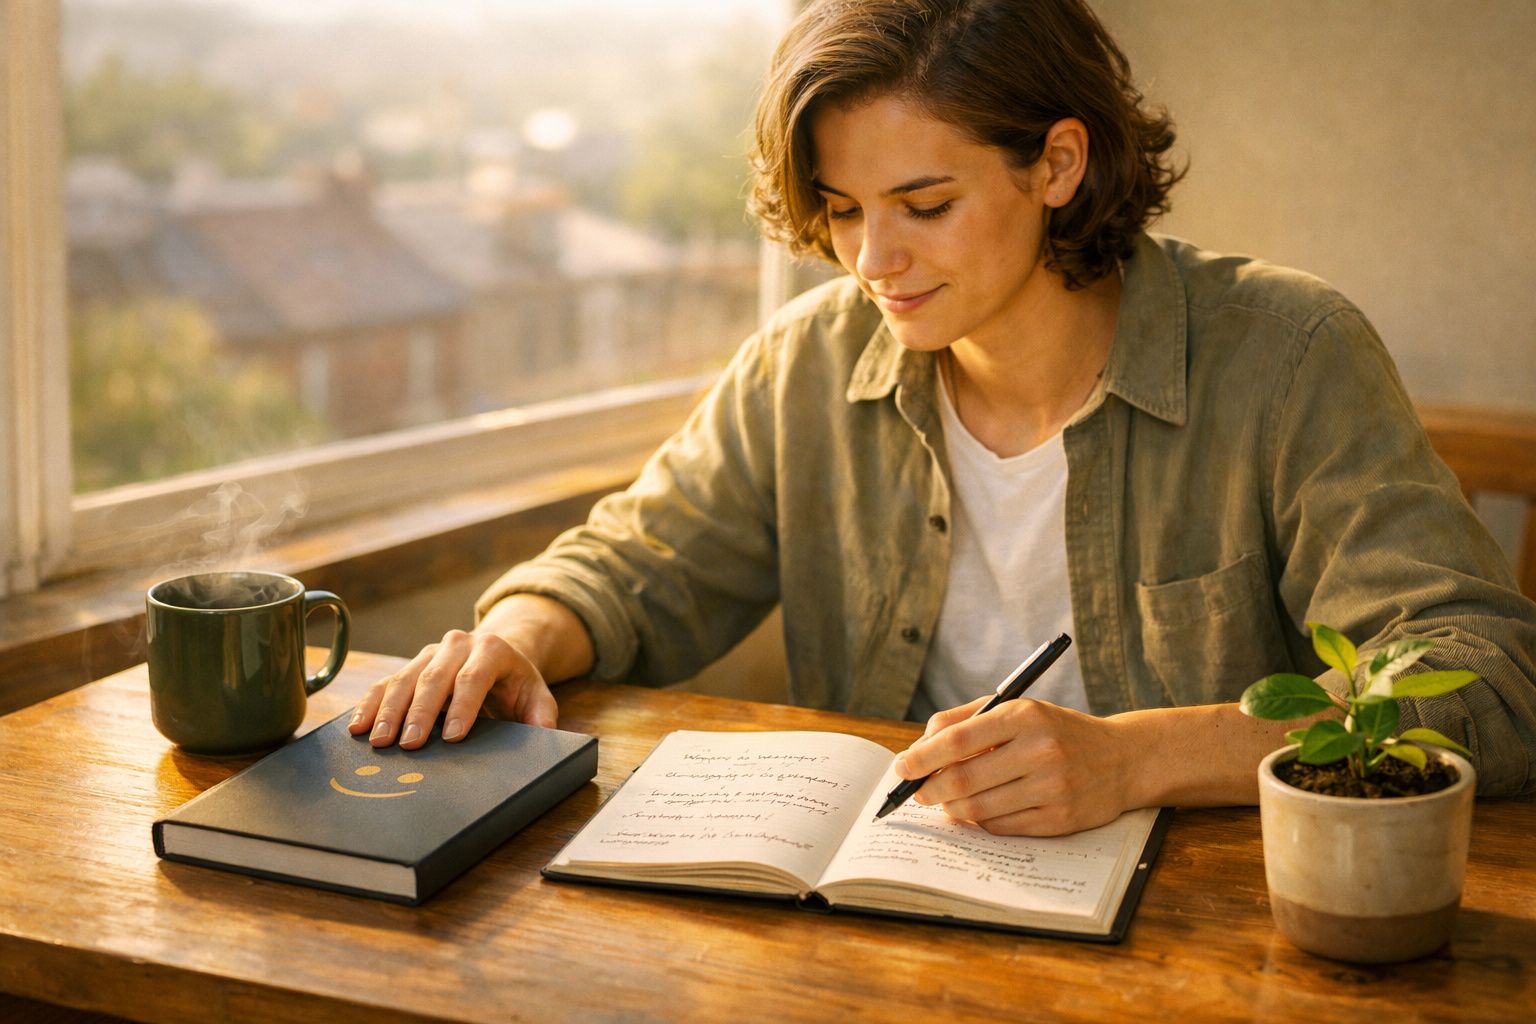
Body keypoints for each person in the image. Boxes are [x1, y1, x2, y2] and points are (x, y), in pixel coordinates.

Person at [350, 0, 1536, 834]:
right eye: (841, 208)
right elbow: (636, 560)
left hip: (1211, 927)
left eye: (923, 202)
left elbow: (1486, 684)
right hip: (894, 914)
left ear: (1058, 163)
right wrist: (512, 638)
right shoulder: (810, 364)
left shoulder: (1288, 354)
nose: (872, 259)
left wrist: (1136, 759)